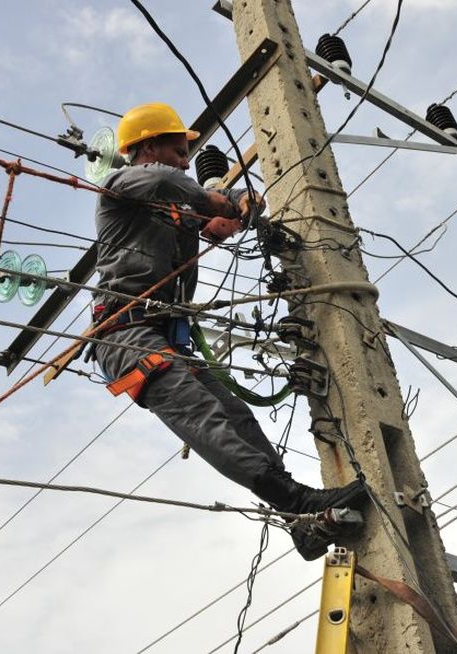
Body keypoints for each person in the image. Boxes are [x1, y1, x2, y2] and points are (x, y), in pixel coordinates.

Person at [91, 102, 365, 517]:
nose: (186, 162)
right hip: (123, 334)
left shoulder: (177, 202)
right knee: (202, 416)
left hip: (165, 335)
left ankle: (298, 515)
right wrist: (218, 201)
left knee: (235, 415)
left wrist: (242, 201)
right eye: (179, 151)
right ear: (147, 147)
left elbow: (221, 212)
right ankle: (295, 502)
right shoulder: (122, 185)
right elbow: (170, 183)